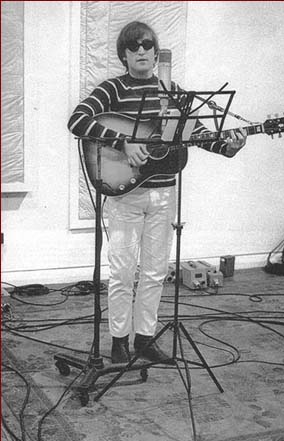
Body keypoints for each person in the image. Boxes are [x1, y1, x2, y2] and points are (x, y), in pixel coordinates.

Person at [68, 21, 247, 364]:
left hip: (164, 194)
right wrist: (121, 141)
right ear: (124, 54)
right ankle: (118, 340)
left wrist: (228, 146)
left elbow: (198, 134)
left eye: (147, 46)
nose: (141, 52)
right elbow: (77, 120)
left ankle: (144, 338)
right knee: (122, 271)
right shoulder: (112, 89)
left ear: (155, 51)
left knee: (154, 271)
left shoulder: (172, 92)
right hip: (125, 195)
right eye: (133, 47)